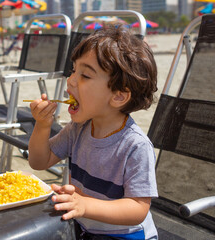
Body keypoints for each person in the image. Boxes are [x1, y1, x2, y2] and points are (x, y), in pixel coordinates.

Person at [28, 24, 158, 239]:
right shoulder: (78, 129)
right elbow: (39, 162)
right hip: (86, 228)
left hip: (126, 235)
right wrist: (42, 126)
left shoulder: (135, 146)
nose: (70, 80)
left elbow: (137, 208)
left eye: (85, 75)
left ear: (118, 96)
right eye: (73, 71)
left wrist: (85, 205)